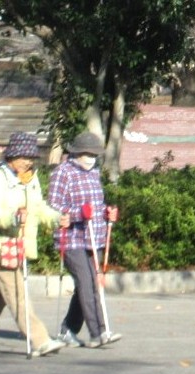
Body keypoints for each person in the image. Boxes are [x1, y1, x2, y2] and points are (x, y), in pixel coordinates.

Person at [0, 132, 70, 357]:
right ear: (12, 155)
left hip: (20, 243)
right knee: (17, 291)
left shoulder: (30, 178)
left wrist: (56, 218)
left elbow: (38, 207)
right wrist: (11, 218)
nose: (29, 161)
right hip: (0, 242)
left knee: (1, 294)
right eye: (24, 156)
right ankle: (40, 340)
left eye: (31, 157)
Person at [47, 131, 122, 348]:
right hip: (71, 239)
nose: (91, 157)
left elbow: (97, 205)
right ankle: (98, 332)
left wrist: (106, 212)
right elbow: (54, 208)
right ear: (76, 152)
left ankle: (67, 329)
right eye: (87, 153)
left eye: (94, 153)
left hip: (94, 236)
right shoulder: (63, 173)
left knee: (90, 285)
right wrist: (79, 213)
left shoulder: (94, 172)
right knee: (87, 284)